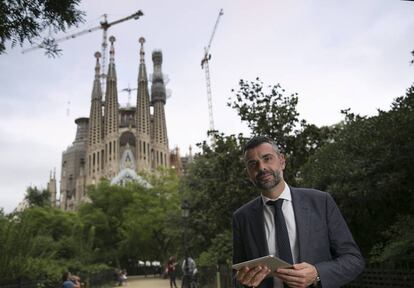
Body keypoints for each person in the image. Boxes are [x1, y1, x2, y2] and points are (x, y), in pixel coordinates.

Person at [233, 136, 365, 288]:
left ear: (282, 161)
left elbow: (354, 260)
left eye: (267, 158)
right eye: (253, 164)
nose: (261, 167)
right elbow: (237, 277)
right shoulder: (242, 218)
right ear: (248, 172)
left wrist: (317, 273)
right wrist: (244, 282)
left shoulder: (321, 202)